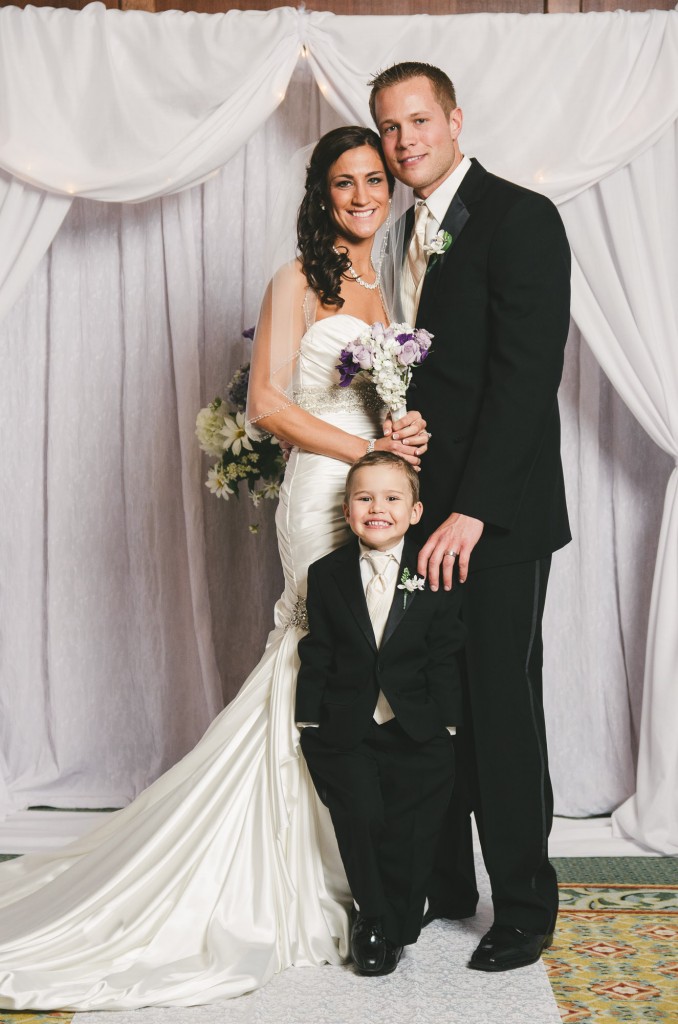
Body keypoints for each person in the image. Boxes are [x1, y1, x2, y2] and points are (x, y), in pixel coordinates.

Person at [0, 126, 430, 1010]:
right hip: (322, 494)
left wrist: (404, 438)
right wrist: (360, 451)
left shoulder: (387, 284)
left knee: (367, 666)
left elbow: (395, 396)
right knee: (322, 657)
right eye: (343, 182)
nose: (360, 195)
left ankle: (358, 868)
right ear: (321, 194)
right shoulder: (299, 280)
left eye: (373, 180)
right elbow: (271, 402)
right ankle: (277, 865)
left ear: (390, 189)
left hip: (375, 489)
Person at [370, 62, 571, 972]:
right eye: (389, 127)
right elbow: (436, 372)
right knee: (427, 702)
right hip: (420, 513)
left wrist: (472, 515)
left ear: (454, 119)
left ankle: (524, 906)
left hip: (498, 520)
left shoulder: (521, 217)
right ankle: (446, 885)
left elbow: (527, 383)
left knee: (498, 708)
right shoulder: (402, 230)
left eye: (418, 120)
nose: (405, 140)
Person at [297, 451, 464, 976]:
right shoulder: (326, 574)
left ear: (415, 512)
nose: (378, 508)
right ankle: (372, 918)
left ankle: (400, 921)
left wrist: (448, 721)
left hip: (416, 726)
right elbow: (318, 648)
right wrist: (309, 718)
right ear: (347, 512)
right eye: (364, 498)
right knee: (360, 816)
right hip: (346, 726)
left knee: (410, 826)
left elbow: (445, 650)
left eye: (393, 498)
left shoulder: (431, 570)